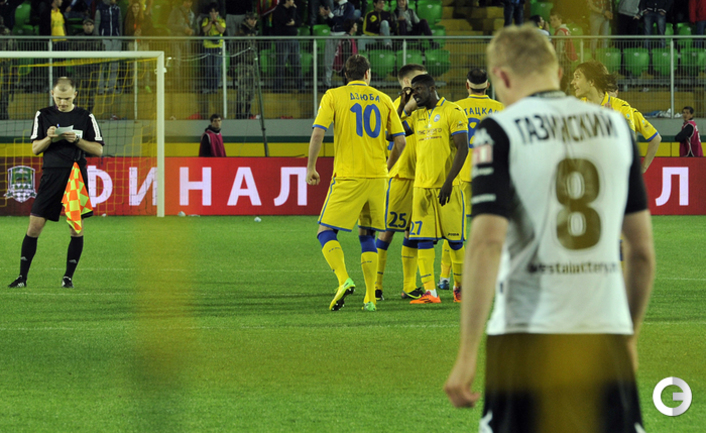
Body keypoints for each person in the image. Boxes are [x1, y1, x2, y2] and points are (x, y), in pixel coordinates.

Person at [444, 25, 655, 433]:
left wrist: (467, 353)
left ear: (501, 77)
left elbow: (487, 243)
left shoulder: (498, 131)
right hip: (604, 335)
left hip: (526, 334)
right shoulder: (616, 129)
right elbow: (642, 253)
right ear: (557, 73)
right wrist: (628, 337)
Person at [306, 54, 406, 312]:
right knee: (367, 234)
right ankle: (370, 298)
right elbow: (401, 141)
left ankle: (343, 279)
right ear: (368, 74)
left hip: (348, 175)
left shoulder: (334, 96)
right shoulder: (384, 99)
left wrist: (311, 167)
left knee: (325, 230)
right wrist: (387, 168)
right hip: (378, 178)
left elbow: (318, 133)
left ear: (345, 75)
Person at [8, 77, 105, 289]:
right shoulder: (43, 115)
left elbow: (99, 150)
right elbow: (35, 149)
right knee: (34, 226)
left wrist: (77, 140)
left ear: (75, 95)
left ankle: (68, 278)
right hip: (51, 175)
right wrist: (49, 137)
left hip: (75, 177)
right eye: (59, 98)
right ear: (52, 94)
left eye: (67, 98)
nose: (62, 102)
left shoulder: (85, 116)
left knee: (75, 229)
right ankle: (22, 278)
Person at [399, 73, 468, 304]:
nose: (415, 94)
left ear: (431, 88)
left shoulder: (453, 111)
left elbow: (463, 148)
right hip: (422, 187)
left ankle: (460, 289)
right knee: (423, 240)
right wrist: (402, 105)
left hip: (448, 187)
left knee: (455, 241)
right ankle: (431, 292)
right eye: (413, 90)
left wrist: (449, 182)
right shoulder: (416, 116)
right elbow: (393, 132)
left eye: (418, 89)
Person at [437, 68, 503, 296]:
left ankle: (444, 277)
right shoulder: (500, 109)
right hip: (490, 176)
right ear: (488, 85)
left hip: (461, 175)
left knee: (453, 228)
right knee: (489, 227)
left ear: (467, 85)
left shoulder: (455, 108)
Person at [374, 63, 427, 302]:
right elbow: (390, 134)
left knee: (412, 232)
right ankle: (376, 286)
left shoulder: (426, 105)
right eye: (419, 79)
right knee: (388, 231)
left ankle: (409, 286)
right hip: (401, 177)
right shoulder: (394, 106)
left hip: (423, 178)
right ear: (406, 82)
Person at [571, 60, 636, 132]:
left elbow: (629, 138)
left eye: (577, 77)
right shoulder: (575, 109)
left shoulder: (622, 108)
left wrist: (611, 125)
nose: (572, 82)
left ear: (591, 82)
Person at [609, 87, 662, 171]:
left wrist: (644, 167)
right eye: (604, 91)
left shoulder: (631, 113)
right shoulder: (593, 110)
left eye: (610, 90)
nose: (607, 94)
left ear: (616, 92)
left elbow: (656, 138)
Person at [319, 0, 356, 89]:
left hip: (343, 36)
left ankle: (347, 83)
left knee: (345, 61)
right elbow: (332, 23)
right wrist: (325, 16)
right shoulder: (336, 7)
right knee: (328, 60)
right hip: (332, 35)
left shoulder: (349, 6)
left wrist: (330, 14)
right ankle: (327, 83)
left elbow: (344, 22)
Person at [272, 0, 303, 93]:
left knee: (296, 64)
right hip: (283, 40)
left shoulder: (292, 9)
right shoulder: (279, 10)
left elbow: (299, 22)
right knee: (281, 64)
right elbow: (288, 20)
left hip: (294, 39)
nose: (293, 2)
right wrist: (293, 10)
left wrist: (294, 22)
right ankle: (278, 87)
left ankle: (301, 86)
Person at [71, 18, 102, 113]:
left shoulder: (98, 39)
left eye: (90, 25)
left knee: (91, 92)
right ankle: (76, 112)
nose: (88, 27)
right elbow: (72, 52)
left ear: (93, 26)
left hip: (93, 70)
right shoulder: (78, 38)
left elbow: (102, 53)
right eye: (86, 25)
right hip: (80, 70)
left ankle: (89, 113)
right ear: (83, 26)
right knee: (78, 91)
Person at [232, 11, 258, 119]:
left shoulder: (253, 32)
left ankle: (247, 111)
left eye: (255, 19)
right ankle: (239, 113)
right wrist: (234, 64)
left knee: (251, 90)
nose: (253, 21)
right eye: (251, 19)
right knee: (242, 89)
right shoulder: (241, 32)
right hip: (243, 63)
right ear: (246, 19)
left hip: (252, 63)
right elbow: (235, 49)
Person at [95, 0, 123, 94]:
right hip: (104, 39)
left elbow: (120, 24)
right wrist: (98, 39)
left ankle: (112, 87)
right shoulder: (100, 9)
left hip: (116, 39)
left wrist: (120, 38)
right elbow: (97, 25)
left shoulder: (117, 9)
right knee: (102, 65)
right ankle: (100, 88)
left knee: (114, 65)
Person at [200, 3, 226, 98]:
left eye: (215, 12)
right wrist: (211, 22)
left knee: (216, 68)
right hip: (208, 47)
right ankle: (208, 87)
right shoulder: (206, 20)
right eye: (211, 12)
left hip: (218, 47)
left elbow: (222, 30)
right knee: (208, 68)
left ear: (218, 13)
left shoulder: (221, 20)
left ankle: (215, 87)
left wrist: (216, 22)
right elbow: (204, 30)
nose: (213, 14)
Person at [549, 11, 577, 93]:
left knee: (562, 83)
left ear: (560, 20)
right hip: (567, 59)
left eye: (554, 19)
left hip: (562, 60)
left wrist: (556, 61)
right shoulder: (566, 30)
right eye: (551, 20)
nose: (552, 22)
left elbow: (559, 49)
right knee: (565, 82)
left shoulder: (560, 32)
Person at [0, 25, 16, 120]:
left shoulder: (9, 33)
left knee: (5, 88)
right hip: (7, 64)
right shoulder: (9, 33)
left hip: (6, 65)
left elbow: (14, 48)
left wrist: (14, 66)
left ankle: (4, 111)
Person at [334, 19, 357, 84]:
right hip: (345, 66)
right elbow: (346, 54)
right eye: (355, 25)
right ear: (352, 27)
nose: (356, 26)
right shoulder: (347, 39)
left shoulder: (346, 37)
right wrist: (349, 66)